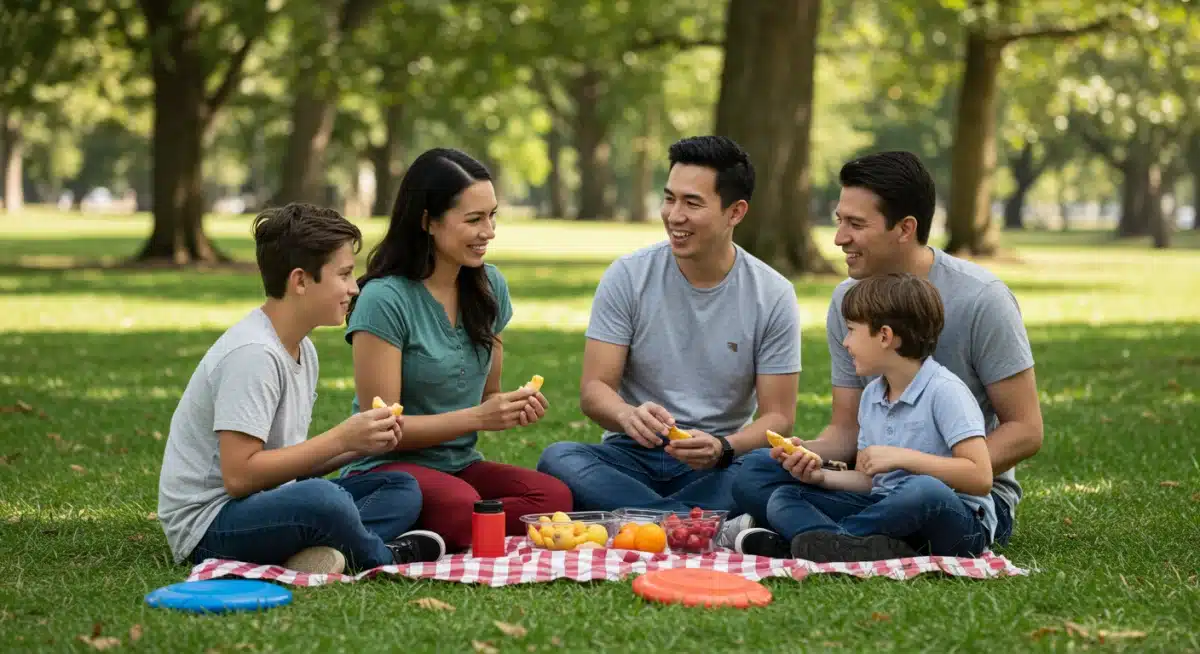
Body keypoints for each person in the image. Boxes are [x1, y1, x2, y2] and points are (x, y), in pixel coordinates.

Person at [732, 150, 1043, 557]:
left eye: (856, 224)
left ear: (905, 228)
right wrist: (806, 458)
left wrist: (918, 469)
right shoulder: (849, 302)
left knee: (919, 493)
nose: (839, 237)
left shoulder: (981, 300)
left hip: (958, 499)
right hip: (879, 487)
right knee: (754, 473)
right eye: (839, 220)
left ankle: (818, 537)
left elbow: (1026, 430)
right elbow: (846, 432)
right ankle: (845, 541)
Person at [536, 135, 802, 540]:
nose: (674, 216)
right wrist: (627, 416)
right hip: (630, 457)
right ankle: (695, 525)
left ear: (735, 212)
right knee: (559, 458)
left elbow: (778, 416)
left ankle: (640, 520)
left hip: (719, 465)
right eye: (669, 199)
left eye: (692, 203)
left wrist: (723, 447)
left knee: (769, 469)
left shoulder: (772, 293)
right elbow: (594, 390)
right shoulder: (628, 276)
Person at [157, 203, 444, 577]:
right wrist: (342, 437)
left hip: (266, 501)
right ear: (301, 281)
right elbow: (240, 476)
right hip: (210, 525)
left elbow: (285, 462)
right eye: (343, 274)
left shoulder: (302, 348)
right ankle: (383, 557)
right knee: (323, 500)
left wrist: (358, 444)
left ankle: (322, 550)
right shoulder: (254, 355)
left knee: (400, 486)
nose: (354, 287)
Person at [338, 147, 572, 553]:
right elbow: (382, 433)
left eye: (492, 216)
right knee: (467, 511)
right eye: (474, 219)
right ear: (429, 221)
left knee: (553, 500)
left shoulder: (489, 287)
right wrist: (479, 417)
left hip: (459, 467)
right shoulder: (384, 300)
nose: (490, 231)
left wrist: (513, 406)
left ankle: (445, 525)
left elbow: (490, 397)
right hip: (389, 470)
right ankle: (418, 520)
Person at [738, 273, 998, 561]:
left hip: (954, 524)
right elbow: (868, 481)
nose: (846, 342)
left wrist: (902, 457)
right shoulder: (873, 395)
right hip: (883, 512)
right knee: (785, 497)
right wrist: (820, 477)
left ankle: (827, 542)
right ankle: (854, 547)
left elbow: (980, 476)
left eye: (851, 330)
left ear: (885, 336)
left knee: (922, 489)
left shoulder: (946, 392)